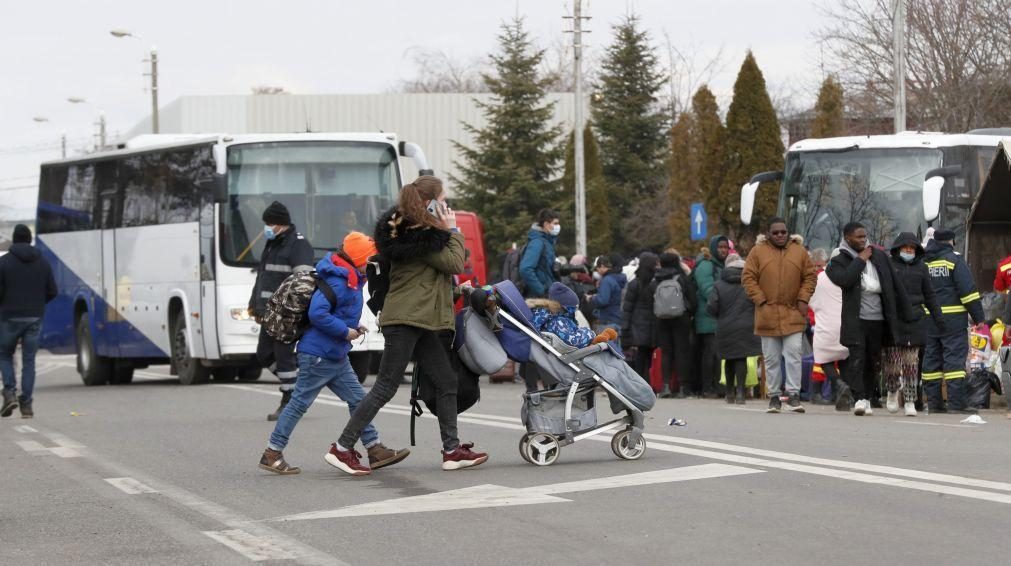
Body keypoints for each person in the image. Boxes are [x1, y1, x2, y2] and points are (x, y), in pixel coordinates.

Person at [328, 176, 487, 475]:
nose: (447, 206)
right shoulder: (418, 236)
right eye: (443, 200)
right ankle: (342, 447)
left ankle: (452, 450)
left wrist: (457, 291)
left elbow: (427, 283)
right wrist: (452, 229)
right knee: (385, 387)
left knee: (446, 381)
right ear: (429, 203)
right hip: (405, 319)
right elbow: (454, 263)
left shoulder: (417, 233)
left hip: (420, 319)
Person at [259, 232, 409, 475]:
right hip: (319, 354)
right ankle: (272, 453)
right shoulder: (341, 281)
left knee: (359, 401)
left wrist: (352, 329)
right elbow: (318, 314)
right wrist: (344, 331)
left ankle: (374, 449)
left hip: (334, 354)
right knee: (299, 404)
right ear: (359, 259)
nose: (373, 264)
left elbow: (335, 312)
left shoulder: (349, 277)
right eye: (370, 260)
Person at [825, 222, 913, 416]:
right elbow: (845, 280)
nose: (863, 240)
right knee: (857, 358)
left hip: (879, 320)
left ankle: (868, 396)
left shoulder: (879, 255)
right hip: (856, 320)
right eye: (858, 237)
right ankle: (860, 399)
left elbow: (894, 283)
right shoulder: (839, 259)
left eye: (865, 236)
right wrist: (860, 260)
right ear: (847, 238)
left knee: (873, 361)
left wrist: (907, 311)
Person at [249, 201, 316, 421]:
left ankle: (289, 400)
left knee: (284, 356)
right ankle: (300, 386)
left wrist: (295, 312)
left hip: (287, 313)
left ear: (281, 224)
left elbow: (304, 282)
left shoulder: (298, 245)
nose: (266, 227)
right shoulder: (273, 243)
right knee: (264, 354)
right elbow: (262, 278)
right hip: (270, 312)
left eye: (269, 223)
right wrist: (255, 304)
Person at [742, 218, 816, 414]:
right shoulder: (757, 252)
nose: (780, 235)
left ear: (788, 232)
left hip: (793, 312)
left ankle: (793, 395)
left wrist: (803, 299)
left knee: (793, 354)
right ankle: (774, 396)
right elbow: (748, 278)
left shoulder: (799, 252)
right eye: (776, 232)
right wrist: (761, 301)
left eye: (783, 232)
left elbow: (810, 276)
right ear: (768, 234)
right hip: (767, 313)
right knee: (772, 358)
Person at [921, 229, 985, 413]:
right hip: (953, 320)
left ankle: (934, 404)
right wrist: (979, 317)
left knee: (931, 360)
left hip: (930, 320)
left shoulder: (925, 262)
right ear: (951, 241)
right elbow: (968, 291)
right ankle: (957, 404)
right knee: (954, 361)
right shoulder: (953, 260)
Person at [0, 225, 57, 419]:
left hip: (9, 317)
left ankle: (9, 392)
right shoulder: (43, 262)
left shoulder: (3, 263)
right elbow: (52, 291)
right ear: (30, 239)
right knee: (29, 360)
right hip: (34, 317)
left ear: (14, 240)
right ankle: (26, 404)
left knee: (5, 354)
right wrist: (37, 305)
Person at [885, 232, 944, 416]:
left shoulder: (922, 268)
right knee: (893, 363)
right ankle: (892, 391)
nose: (909, 251)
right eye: (905, 248)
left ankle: (910, 400)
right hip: (894, 321)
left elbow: (930, 295)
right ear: (898, 249)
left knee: (911, 363)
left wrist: (938, 317)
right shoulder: (890, 266)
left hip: (916, 320)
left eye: (912, 248)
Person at [707, 253, 762, 404]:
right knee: (742, 358)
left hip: (725, 325)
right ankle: (741, 394)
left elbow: (712, 306)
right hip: (747, 325)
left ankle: (729, 392)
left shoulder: (719, 285)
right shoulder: (751, 283)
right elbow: (759, 301)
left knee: (728, 358)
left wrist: (720, 315)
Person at [650, 252, 696, 398]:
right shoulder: (681, 278)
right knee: (681, 351)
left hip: (661, 319)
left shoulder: (656, 279)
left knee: (666, 352)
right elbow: (692, 299)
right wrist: (689, 312)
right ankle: (683, 387)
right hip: (681, 318)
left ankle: (665, 386)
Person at [808, 251, 849, 410]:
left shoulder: (820, 278)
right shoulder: (847, 277)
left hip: (823, 324)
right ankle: (833, 391)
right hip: (841, 324)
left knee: (824, 359)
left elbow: (810, 301)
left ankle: (834, 390)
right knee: (832, 360)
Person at [694, 235, 730, 398]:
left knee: (717, 353)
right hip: (708, 316)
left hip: (718, 316)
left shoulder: (721, 265)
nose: (723, 250)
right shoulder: (706, 265)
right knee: (710, 353)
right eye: (720, 247)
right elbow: (706, 289)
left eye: (725, 247)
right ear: (714, 248)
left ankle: (718, 386)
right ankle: (708, 387)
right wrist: (723, 303)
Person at [528, 282, 616, 348]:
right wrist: (590, 333)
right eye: (574, 308)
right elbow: (572, 341)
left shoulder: (557, 317)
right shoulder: (556, 321)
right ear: (565, 307)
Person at [622, 252, 660, 378]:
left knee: (640, 355)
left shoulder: (635, 283)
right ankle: (649, 381)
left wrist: (626, 327)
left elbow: (627, 308)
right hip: (653, 324)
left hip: (638, 325)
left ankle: (640, 381)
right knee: (649, 355)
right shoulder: (656, 282)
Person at [519, 209, 560, 298]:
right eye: (555, 223)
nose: (558, 226)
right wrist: (542, 291)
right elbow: (526, 269)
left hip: (546, 294)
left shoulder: (547, 242)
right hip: (538, 298)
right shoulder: (537, 243)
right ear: (546, 224)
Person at [586, 253, 627, 335]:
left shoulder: (607, 280)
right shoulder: (620, 278)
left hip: (606, 320)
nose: (597, 270)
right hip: (617, 318)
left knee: (605, 346)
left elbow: (603, 301)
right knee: (615, 346)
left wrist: (591, 298)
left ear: (601, 266)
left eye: (597, 268)